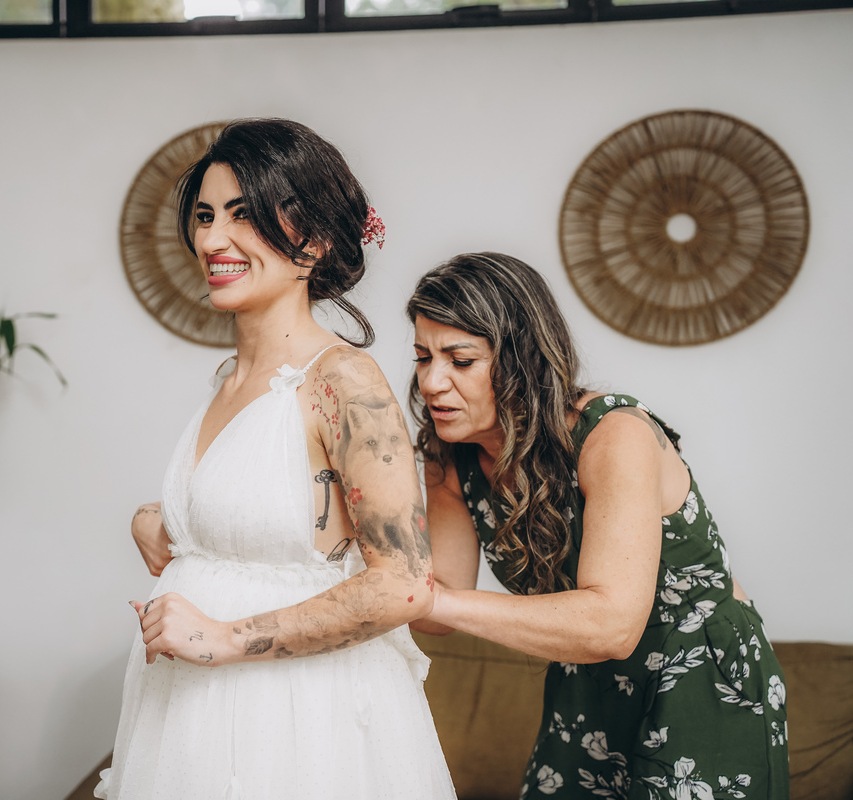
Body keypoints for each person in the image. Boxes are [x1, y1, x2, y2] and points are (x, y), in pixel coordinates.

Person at [97, 119, 456, 800]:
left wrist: (226, 637)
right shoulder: (228, 379)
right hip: (192, 715)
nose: (212, 241)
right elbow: (263, 516)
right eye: (206, 217)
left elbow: (402, 585)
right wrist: (159, 521)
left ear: (314, 241)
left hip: (296, 720)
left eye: (244, 215)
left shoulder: (342, 381)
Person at [408, 252, 789, 799]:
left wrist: (425, 599)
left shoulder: (614, 433)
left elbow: (611, 624)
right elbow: (438, 605)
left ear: (524, 360)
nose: (431, 382)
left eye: (460, 360)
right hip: (586, 678)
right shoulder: (450, 453)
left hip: (701, 676)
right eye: (422, 357)